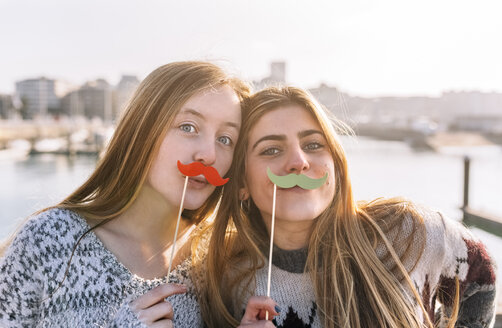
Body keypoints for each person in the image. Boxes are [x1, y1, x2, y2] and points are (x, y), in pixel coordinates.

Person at [195, 86, 497, 328]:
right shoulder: (228, 278)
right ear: (242, 185)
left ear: (336, 166)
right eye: (271, 150)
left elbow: (482, 274)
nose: (299, 161)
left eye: (313, 145)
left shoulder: (404, 231)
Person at [0, 61, 250, 327]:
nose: (209, 155)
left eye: (225, 139)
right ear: (142, 130)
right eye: (188, 127)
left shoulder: (220, 259)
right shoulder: (48, 241)